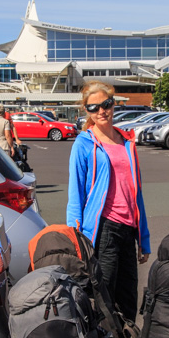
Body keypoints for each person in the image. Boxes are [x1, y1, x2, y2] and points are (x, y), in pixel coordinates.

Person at [66, 80, 150, 324]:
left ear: (114, 105)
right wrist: (76, 238)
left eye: (106, 104)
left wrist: (143, 239)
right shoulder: (84, 144)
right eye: (94, 107)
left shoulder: (127, 142)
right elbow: (76, 195)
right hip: (104, 229)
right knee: (104, 300)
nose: (101, 111)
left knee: (128, 298)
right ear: (87, 111)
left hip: (128, 229)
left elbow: (137, 194)